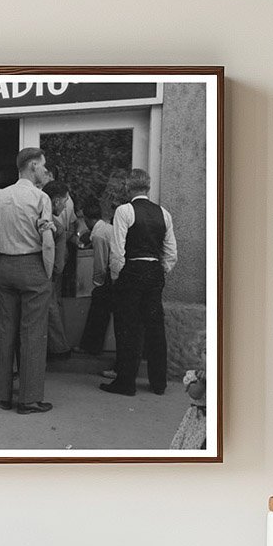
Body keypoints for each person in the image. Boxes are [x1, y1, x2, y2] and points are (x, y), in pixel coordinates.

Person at [0, 148, 56, 415]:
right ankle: (29, 399)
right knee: (33, 334)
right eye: (42, 166)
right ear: (32, 166)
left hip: (5, 265)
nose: (44, 171)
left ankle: (3, 394)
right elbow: (47, 242)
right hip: (32, 264)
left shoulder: (0, 196)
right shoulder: (40, 198)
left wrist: (0, 260)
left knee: (6, 331)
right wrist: (46, 273)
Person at [100, 168, 178, 397]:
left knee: (128, 327)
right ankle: (158, 383)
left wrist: (117, 275)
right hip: (154, 270)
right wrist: (160, 268)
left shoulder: (125, 211)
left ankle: (126, 382)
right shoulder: (163, 213)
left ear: (128, 187)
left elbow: (117, 249)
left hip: (132, 270)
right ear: (148, 187)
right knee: (155, 327)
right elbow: (171, 252)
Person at [76, 202, 114, 355]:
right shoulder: (105, 228)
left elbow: (100, 262)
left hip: (110, 276)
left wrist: (97, 283)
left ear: (86, 219)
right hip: (116, 273)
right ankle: (92, 346)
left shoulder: (98, 234)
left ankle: (90, 346)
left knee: (98, 309)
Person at [42, 180, 73, 361]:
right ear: (55, 201)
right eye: (65, 200)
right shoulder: (57, 227)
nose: (66, 205)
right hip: (47, 277)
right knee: (51, 308)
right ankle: (59, 348)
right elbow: (58, 265)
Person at [171, 335, 207, 449]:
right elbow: (195, 394)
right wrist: (203, 382)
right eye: (206, 352)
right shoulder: (194, 376)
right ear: (199, 355)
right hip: (199, 421)